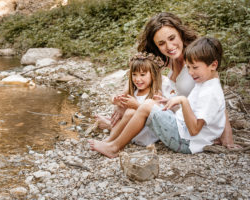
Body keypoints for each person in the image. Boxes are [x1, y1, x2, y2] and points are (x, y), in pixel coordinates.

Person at [96, 12, 236, 148]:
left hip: (188, 123)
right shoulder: (168, 60)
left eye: (172, 38)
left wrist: (227, 135)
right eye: (161, 43)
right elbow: (140, 73)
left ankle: (115, 129)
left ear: (180, 33)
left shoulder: (196, 60)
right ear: (156, 46)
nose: (169, 46)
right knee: (146, 82)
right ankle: (120, 123)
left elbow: (217, 95)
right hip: (177, 115)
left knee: (147, 104)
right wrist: (121, 103)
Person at [89, 37, 227, 158]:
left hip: (185, 141)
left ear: (213, 65)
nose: (190, 72)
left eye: (195, 67)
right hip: (181, 130)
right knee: (149, 105)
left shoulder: (211, 92)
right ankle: (111, 142)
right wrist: (170, 102)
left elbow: (194, 130)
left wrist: (183, 101)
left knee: (148, 105)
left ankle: (113, 148)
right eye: (188, 67)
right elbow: (195, 111)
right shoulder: (205, 83)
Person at [103, 52, 164, 146]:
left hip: (146, 135)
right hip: (131, 132)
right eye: (134, 75)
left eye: (142, 75)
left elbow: (155, 115)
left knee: (130, 112)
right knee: (123, 110)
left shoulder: (156, 93)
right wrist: (115, 100)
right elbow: (118, 98)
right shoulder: (135, 91)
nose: (137, 79)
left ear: (153, 75)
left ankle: (109, 140)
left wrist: (136, 106)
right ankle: (113, 136)